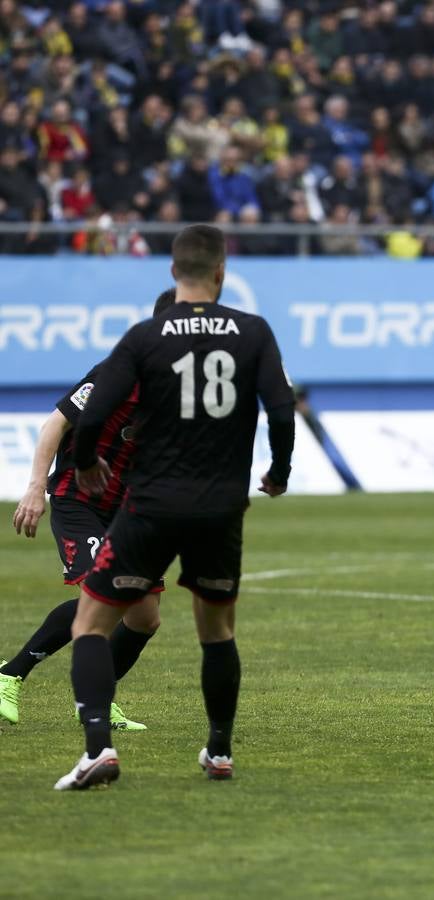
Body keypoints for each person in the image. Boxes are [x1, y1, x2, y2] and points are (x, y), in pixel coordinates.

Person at [54, 225, 295, 791]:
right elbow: (282, 410)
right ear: (221, 273)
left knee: (91, 623)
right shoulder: (254, 332)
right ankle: (218, 751)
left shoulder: (145, 336)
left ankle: (97, 750)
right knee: (217, 631)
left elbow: (93, 411)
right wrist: (278, 473)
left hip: (151, 506)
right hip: (220, 508)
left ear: (172, 272)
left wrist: (86, 462)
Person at [2, 289, 178, 730]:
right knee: (101, 596)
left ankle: (98, 696)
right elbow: (57, 422)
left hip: (128, 509)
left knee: (145, 617)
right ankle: (9, 676)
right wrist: (35, 487)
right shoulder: (121, 371)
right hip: (80, 500)